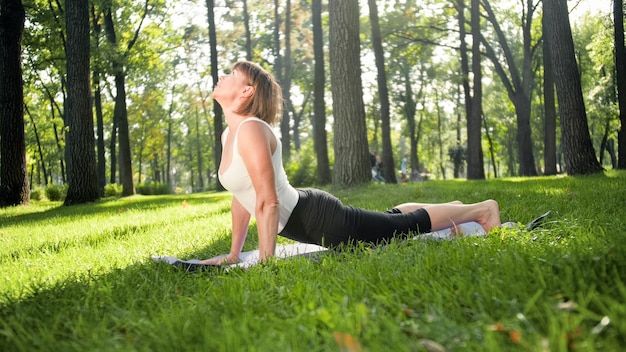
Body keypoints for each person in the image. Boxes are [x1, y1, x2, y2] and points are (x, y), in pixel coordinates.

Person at [200, 61, 501, 265]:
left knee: (400, 228)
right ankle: (455, 209)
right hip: (310, 214)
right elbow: (243, 199)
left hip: (320, 220)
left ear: (246, 91)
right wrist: (233, 254)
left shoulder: (252, 128)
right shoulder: (231, 133)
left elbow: (268, 202)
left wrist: (266, 262)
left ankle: (482, 210)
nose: (222, 76)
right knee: (388, 219)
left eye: (230, 74)